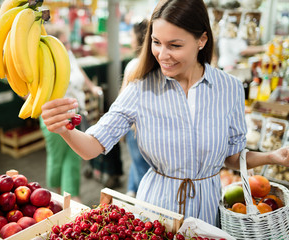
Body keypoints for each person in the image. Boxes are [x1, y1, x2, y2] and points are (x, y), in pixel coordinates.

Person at [40, 0, 289, 226]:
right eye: (156, 42)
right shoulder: (140, 88)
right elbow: (92, 146)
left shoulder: (229, 88)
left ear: (201, 40)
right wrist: (64, 129)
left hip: (208, 211)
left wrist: (273, 157)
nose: (162, 55)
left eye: (175, 45)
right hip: (155, 210)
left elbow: (232, 158)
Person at [39, 24, 102, 203]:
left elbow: (79, 70)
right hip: (55, 116)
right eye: (64, 42)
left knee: (73, 158)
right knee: (57, 158)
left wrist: (91, 87)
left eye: (68, 42)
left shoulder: (67, 53)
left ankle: (73, 199)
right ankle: (58, 197)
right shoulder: (46, 61)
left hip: (74, 114)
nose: (68, 46)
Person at [120, 19, 150, 198]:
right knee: (141, 166)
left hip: (135, 129)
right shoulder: (157, 67)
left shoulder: (134, 65)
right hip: (149, 128)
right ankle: (132, 190)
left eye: (131, 35)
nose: (130, 39)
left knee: (140, 168)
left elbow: (123, 101)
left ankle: (140, 201)